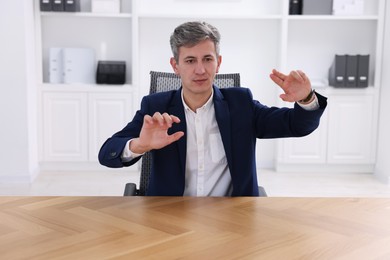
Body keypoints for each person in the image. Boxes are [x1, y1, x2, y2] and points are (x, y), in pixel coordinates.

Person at [98, 21, 327, 197]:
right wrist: (141, 145)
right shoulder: (156, 107)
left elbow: (296, 125)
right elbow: (107, 153)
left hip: (232, 219)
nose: (200, 70)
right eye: (189, 61)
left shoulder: (241, 104)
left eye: (207, 59)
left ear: (218, 63)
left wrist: (306, 99)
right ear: (175, 65)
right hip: (169, 217)